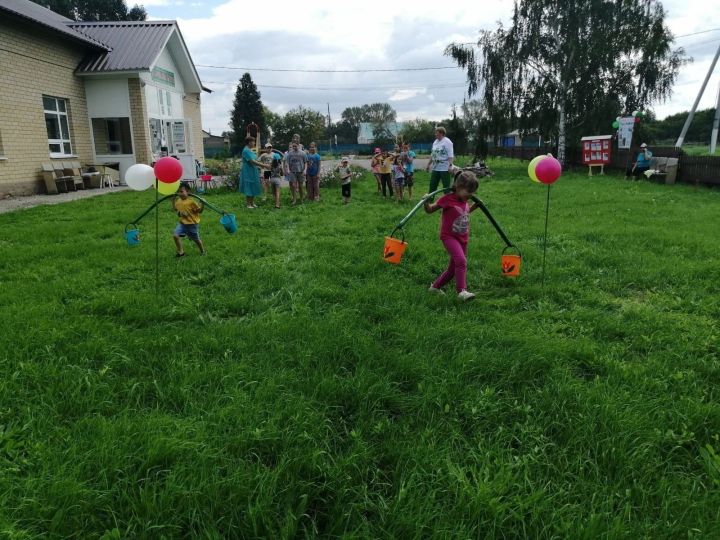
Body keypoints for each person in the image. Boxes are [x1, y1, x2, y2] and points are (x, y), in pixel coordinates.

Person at [423, 171, 481, 301]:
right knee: (461, 262)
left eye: (473, 192)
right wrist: (426, 203)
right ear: (459, 187)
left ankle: (435, 287)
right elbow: (430, 210)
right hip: (449, 236)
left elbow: (463, 213)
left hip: (463, 238)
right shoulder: (447, 199)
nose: (471, 195)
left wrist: (473, 207)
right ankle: (462, 291)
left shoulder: (464, 199)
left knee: (453, 269)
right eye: (469, 191)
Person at [172, 182, 205, 257]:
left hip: (192, 224)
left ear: (188, 192)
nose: (179, 193)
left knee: (196, 239)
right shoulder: (178, 201)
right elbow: (175, 209)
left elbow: (200, 211)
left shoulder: (191, 201)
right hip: (182, 224)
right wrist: (173, 200)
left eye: (181, 191)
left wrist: (203, 204)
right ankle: (181, 252)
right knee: (175, 236)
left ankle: (202, 251)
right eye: (178, 191)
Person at [240, 136, 270, 208]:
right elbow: (252, 161)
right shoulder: (246, 150)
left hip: (253, 170)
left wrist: (260, 166)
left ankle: (252, 202)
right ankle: (248, 204)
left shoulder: (250, 150)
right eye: (253, 142)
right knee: (249, 185)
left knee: (253, 184)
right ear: (249, 142)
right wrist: (264, 165)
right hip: (248, 170)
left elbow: (255, 161)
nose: (254, 143)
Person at [426, 126, 455, 193]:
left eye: (437, 133)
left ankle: (447, 202)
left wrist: (450, 166)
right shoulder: (435, 142)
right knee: (432, 185)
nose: (435, 134)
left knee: (446, 187)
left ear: (441, 133)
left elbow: (450, 155)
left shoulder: (447, 142)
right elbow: (432, 154)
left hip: (445, 168)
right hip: (435, 167)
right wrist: (428, 164)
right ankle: (429, 201)